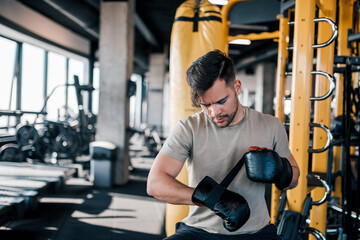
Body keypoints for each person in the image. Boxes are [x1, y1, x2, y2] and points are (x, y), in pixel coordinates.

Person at [147, 49, 300, 240]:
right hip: (199, 232)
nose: (213, 112)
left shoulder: (271, 125)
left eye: (221, 101)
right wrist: (210, 198)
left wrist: (281, 169)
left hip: (256, 233)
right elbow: (155, 184)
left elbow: (294, 180)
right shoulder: (189, 127)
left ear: (237, 87)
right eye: (206, 105)